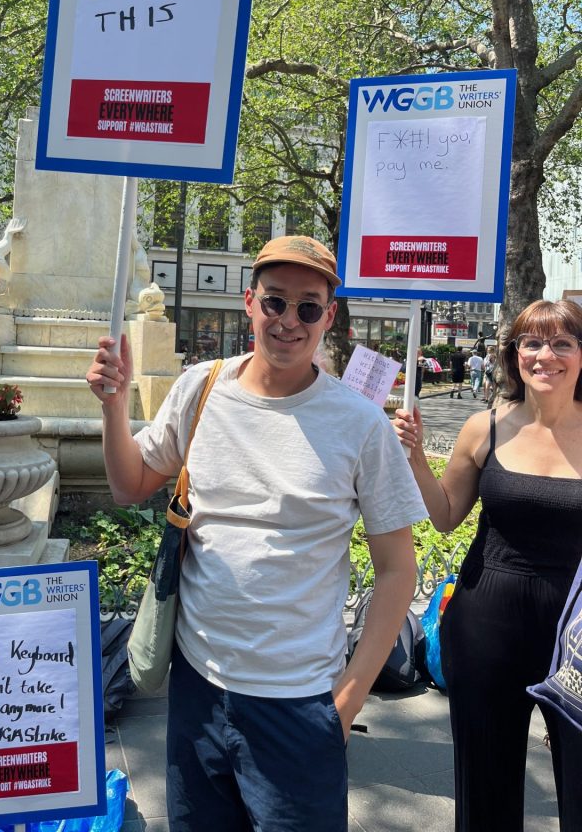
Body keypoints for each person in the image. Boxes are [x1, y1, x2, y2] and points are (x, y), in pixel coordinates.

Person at [87, 234, 427, 832]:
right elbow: (130, 483)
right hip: (197, 687)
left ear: (328, 316)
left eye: (308, 307)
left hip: (299, 699)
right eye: (275, 302)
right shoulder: (200, 387)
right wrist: (113, 407)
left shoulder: (360, 424)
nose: (289, 321)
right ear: (250, 303)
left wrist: (347, 700)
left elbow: (399, 570)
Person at [393, 299, 582, 831]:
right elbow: (445, 516)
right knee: (485, 784)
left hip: (576, 630)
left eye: (562, 343)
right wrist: (413, 460)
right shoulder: (486, 427)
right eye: (532, 343)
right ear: (514, 354)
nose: (545, 356)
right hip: (486, 623)